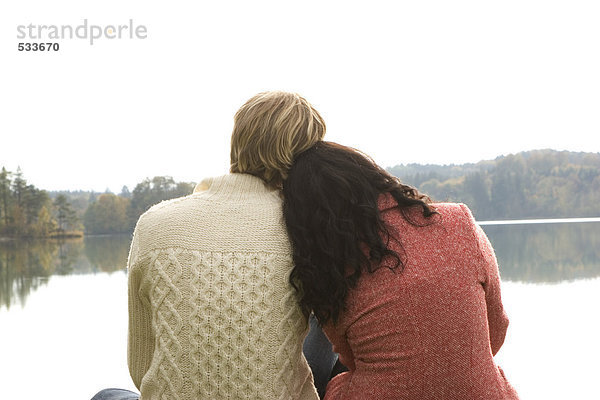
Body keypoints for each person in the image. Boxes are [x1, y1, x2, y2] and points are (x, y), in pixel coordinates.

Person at [91, 91, 327, 400]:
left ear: (238, 140)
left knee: (107, 395)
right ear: (306, 156)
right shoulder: (306, 230)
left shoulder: (155, 223)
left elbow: (141, 366)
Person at [282, 141, 520, 399]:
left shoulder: (332, 266)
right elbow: (496, 329)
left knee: (338, 382)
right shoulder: (458, 221)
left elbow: (349, 357)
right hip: (481, 393)